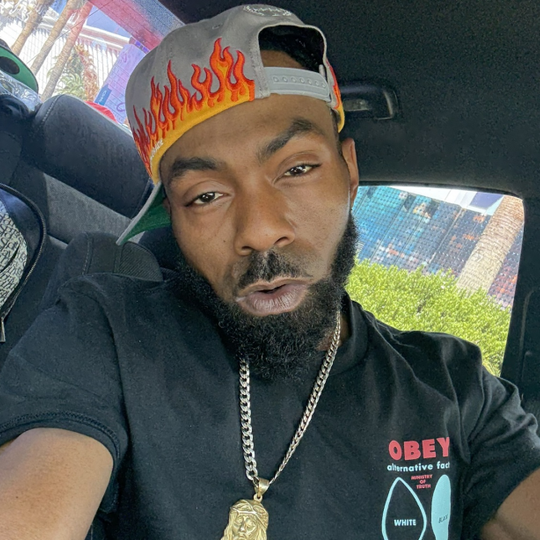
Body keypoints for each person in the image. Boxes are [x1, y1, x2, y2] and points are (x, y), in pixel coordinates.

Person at [0, 4, 539, 539]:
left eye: (297, 168)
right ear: (174, 219)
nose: (259, 230)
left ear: (349, 173)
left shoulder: (455, 388)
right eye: (206, 195)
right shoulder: (104, 333)